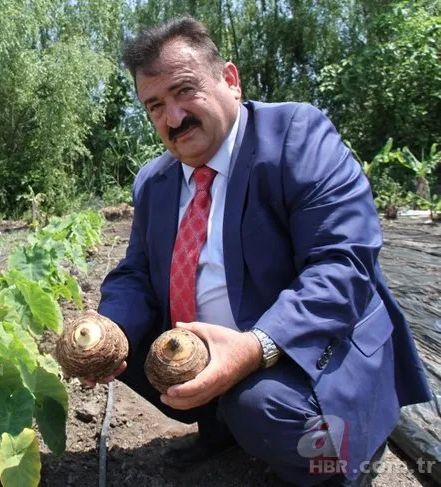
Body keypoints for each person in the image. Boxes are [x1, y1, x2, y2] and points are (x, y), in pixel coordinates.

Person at [84, 17, 431, 486]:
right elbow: (136, 273)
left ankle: (331, 461)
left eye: (185, 91)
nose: (173, 118)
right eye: (154, 106)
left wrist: (255, 346)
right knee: (126, 347)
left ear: (229, 78)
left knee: (259, 405)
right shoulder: (154, 181)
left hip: (310, 344)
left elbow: (342, 265)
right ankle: (220, 426)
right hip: (211, 344)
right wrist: (108, 332)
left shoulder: (295, 136)